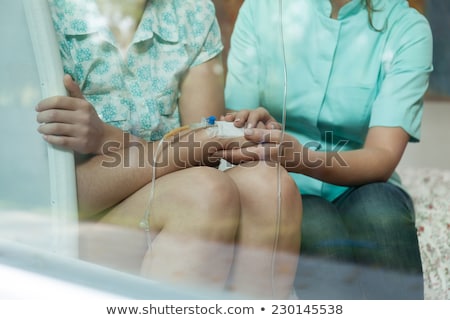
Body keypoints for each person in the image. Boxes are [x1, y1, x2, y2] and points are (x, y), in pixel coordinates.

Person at [35, 0, 302, 299]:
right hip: (74, 218)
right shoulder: (42, 13)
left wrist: (239, 133)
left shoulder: (191, 11)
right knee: (203, 193)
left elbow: (202, 150)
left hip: (174, 184)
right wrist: (200, 143)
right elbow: (50, 196)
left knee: (269, 185)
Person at [223, 0, 433, 293]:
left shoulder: (406, 27)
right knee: (321, 230)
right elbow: (236, 129)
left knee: (383, 217)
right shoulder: (261, 9)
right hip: (281, 181)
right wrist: (254, 126)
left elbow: (382, 156)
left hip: (362, 178)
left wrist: (303, 158)